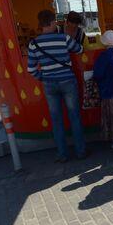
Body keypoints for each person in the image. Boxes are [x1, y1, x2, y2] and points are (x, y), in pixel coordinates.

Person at [27, 10, 86, 162]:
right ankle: (81, 152)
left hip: (49, 84)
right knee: (75, 117)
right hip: (67, 81)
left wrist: (44, 77)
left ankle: (62, 154)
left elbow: (31, 69)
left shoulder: (34, 44)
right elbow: (80, 49)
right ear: (53, 22)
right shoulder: (63, 38)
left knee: (56, 120)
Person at [93, 30, 113, 150]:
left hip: (108, 92)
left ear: (105, 43)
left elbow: (98, 74)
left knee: (112, 118)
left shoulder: (103, 56)